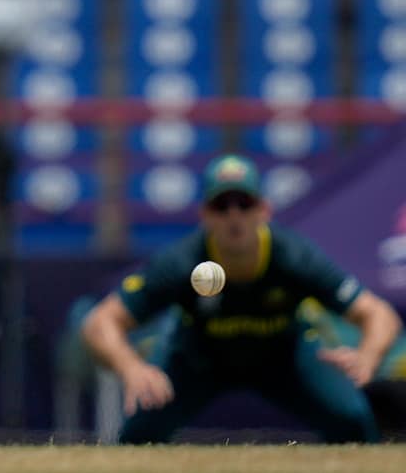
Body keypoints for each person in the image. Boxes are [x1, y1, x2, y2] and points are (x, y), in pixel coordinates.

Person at [82, 153, 403, 443]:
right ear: (206, 214)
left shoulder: (294, 258)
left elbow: (378, 314)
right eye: (221, 206)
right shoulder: (180, 262)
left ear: (263, 210)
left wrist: (368, 357)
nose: (234, 216)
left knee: (353, 419)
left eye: (244, 203)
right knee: (139, 434)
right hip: (198, 358)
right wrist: (131, 368)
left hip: (284, 357)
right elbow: (101, 321)